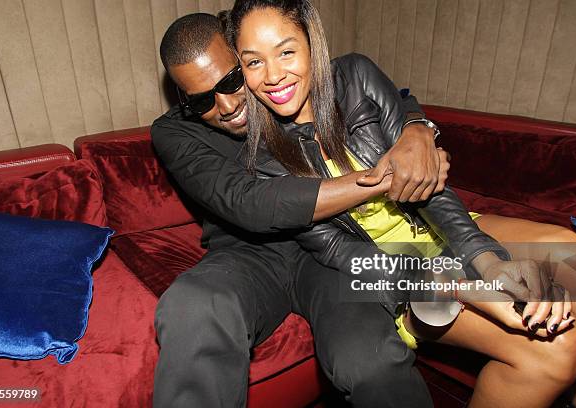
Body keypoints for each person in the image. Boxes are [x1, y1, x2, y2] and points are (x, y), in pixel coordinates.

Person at [228, 0, 576, 406]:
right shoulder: (261, 160)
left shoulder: (356, 76)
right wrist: (463, 285)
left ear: (313, 43)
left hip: (436, 227)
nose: (273, 76)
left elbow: (426, 180)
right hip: (394, 271)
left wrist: (490, 264)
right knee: (559, 349)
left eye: (286, 51)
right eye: (253, 62)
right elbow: (337, 249)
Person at [152, 12, 452, 407]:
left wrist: (416, 127)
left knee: (368, 358)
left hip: (331, 245)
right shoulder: (174, 132)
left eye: (230, 80)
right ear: (182, 99)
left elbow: (362, 86)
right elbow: (248, 203)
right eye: (202, 100)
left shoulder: (280, 88)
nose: (226, 105)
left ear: (247, 59)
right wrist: (389, 174)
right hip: (248, 258)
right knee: (193, 303)